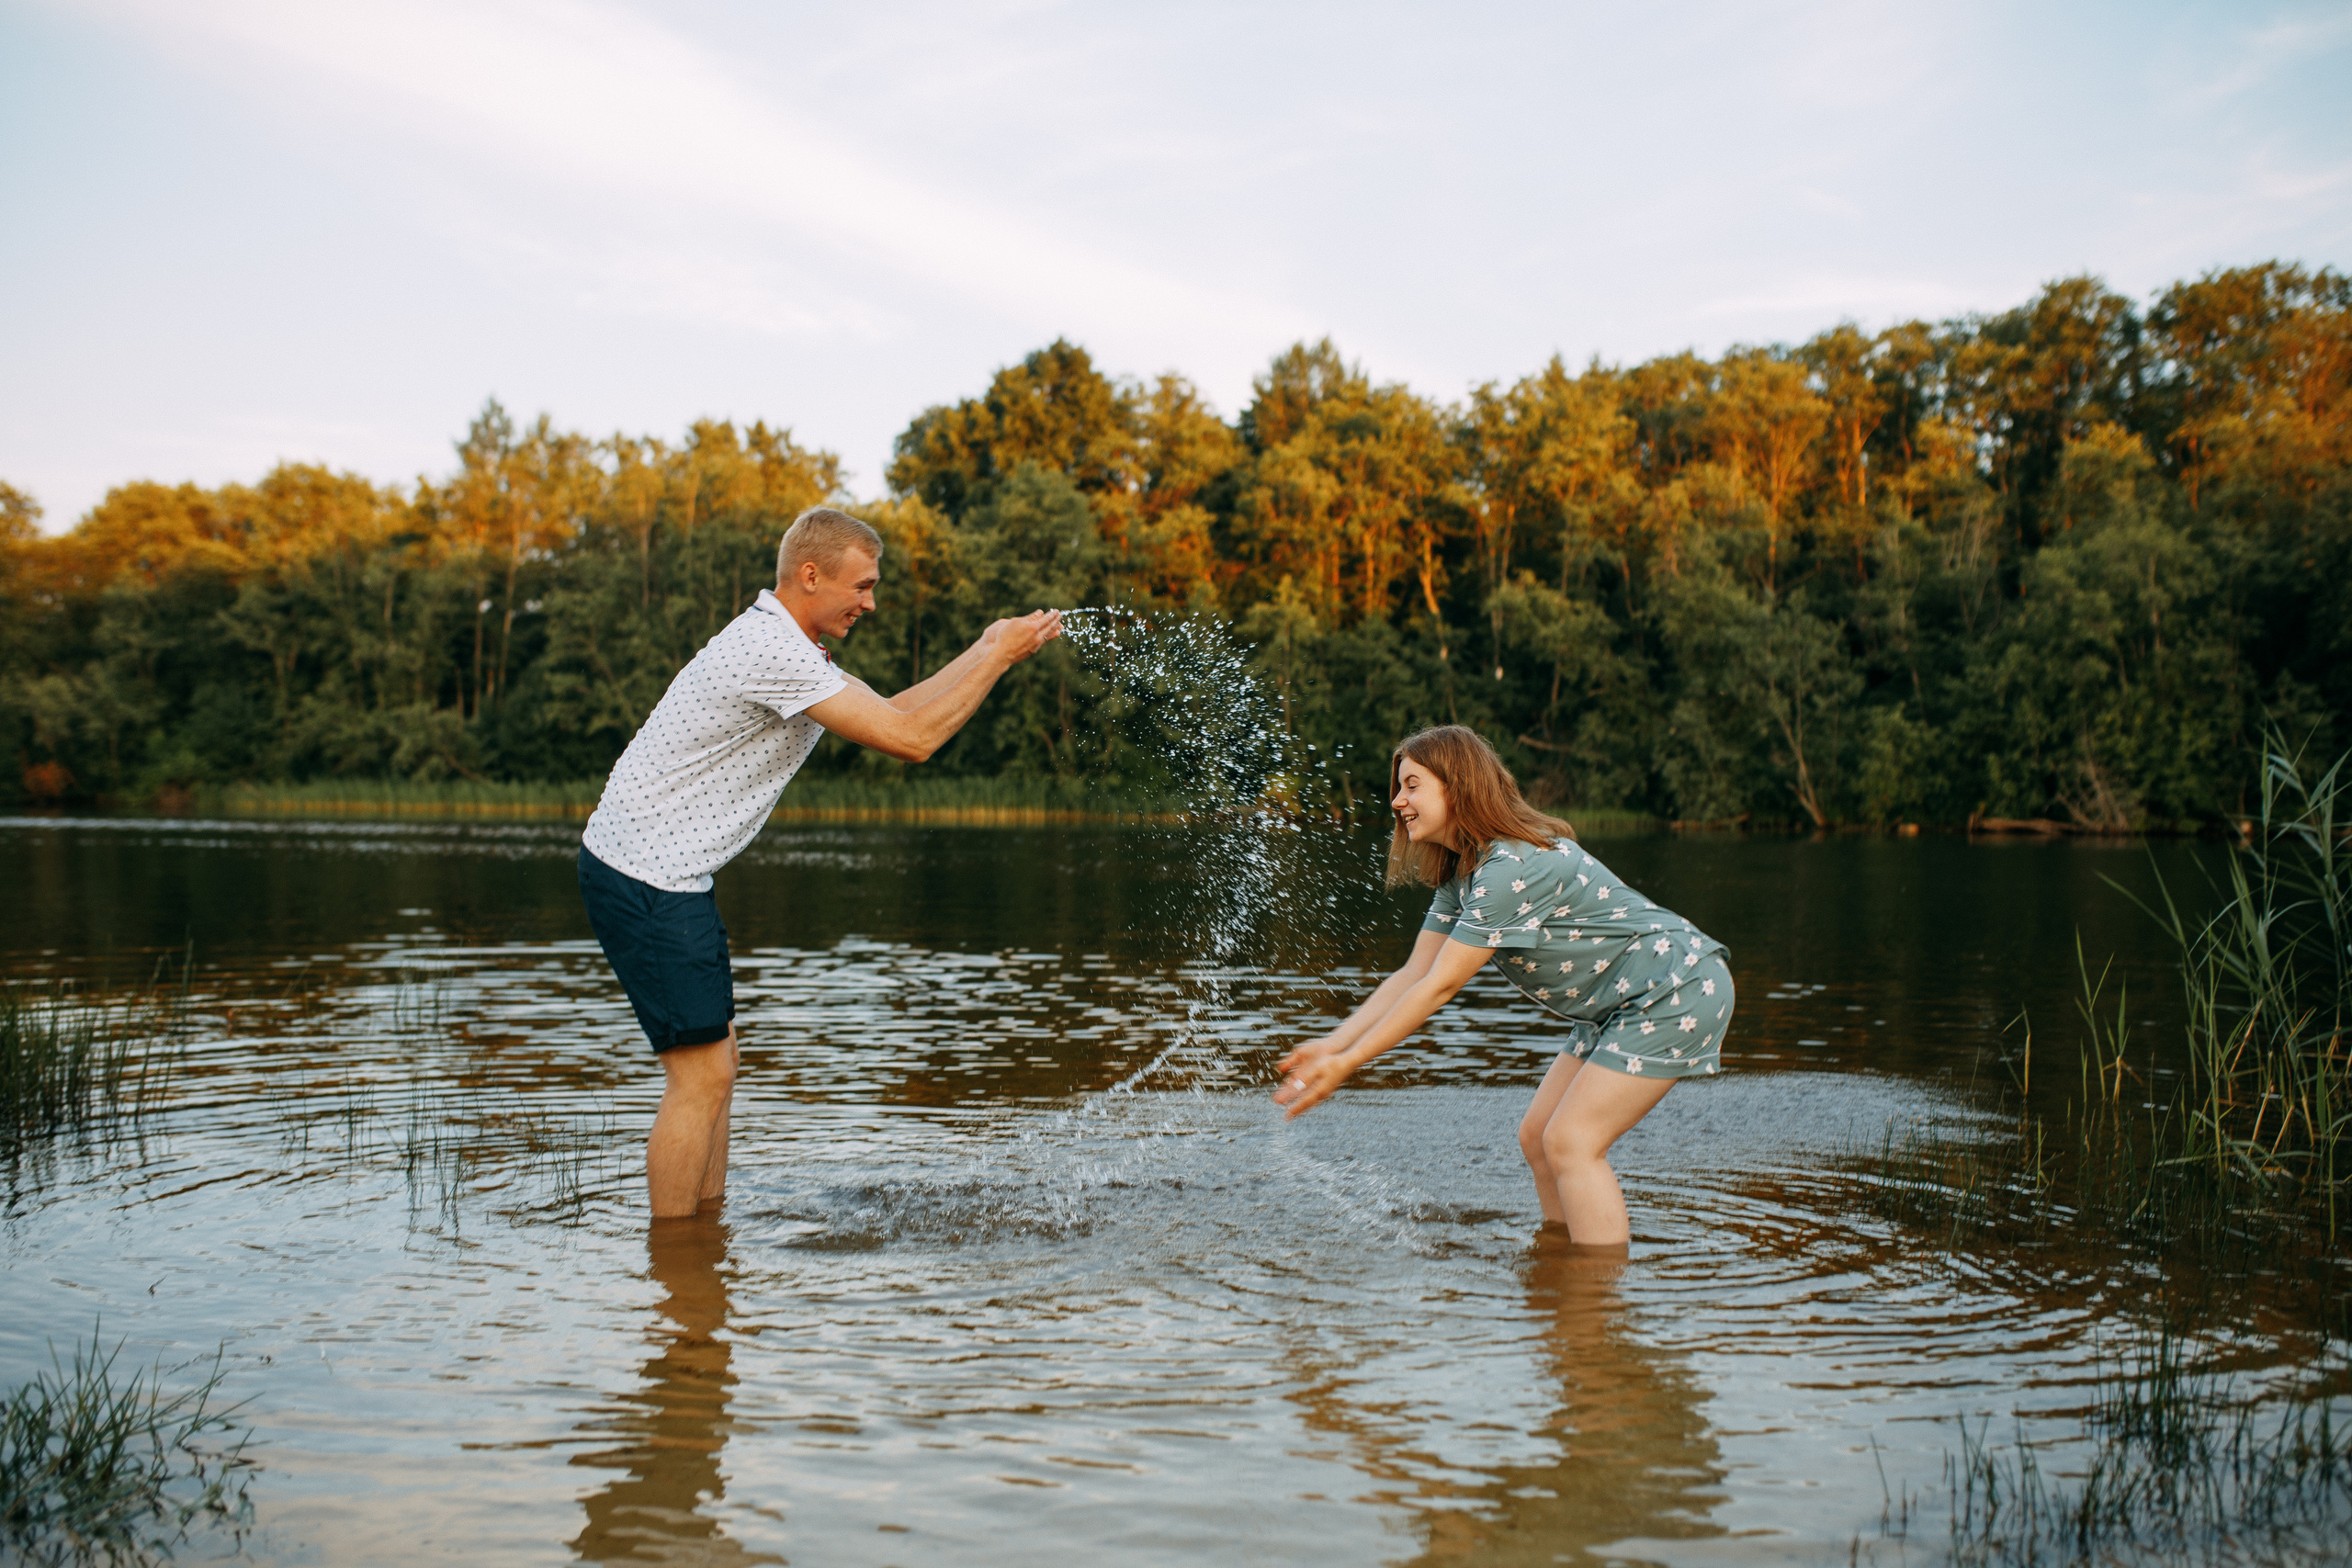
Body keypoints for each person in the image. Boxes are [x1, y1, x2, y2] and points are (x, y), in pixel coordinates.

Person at [578, 505, 1062, 1221]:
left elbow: (894, 708)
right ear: (810, 575)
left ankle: (704, 1239)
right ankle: (676, 1257)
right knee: (701, 1079)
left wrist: (985, 645)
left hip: (670, 875)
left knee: (718, 1069)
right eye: (862, 586)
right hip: (645, 875)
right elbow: (913, 740)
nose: (871, 602)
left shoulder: (791, 644)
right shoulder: (770, 650)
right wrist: (999, 658)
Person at [1272, 725, 1734, 1252]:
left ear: (1458, 788)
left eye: (1412, 785)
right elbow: (1414, 974)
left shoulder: (1509, 868)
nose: (1397, 801)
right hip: (1618, 1003)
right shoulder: (1464, 871)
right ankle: (1560, 1261)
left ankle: (1595, 1287)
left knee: (1572, 1142)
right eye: (1398, 787)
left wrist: (1349, 1064)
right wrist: (1334, 1045)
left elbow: (1440, 986)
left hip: (1674, 987)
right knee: (1539, 1138)